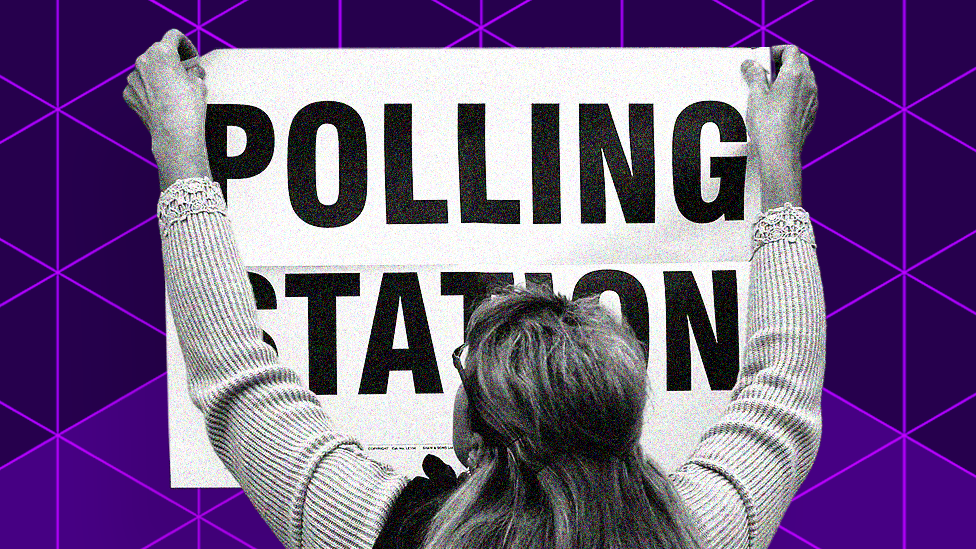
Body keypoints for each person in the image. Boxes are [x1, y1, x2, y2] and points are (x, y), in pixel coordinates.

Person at [127, 29, 823, 549]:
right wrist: (780, 165)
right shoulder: (697, 533)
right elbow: (782, 394)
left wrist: (181, 154)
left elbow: (239, 380)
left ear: (478, 441)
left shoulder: (389, 533)